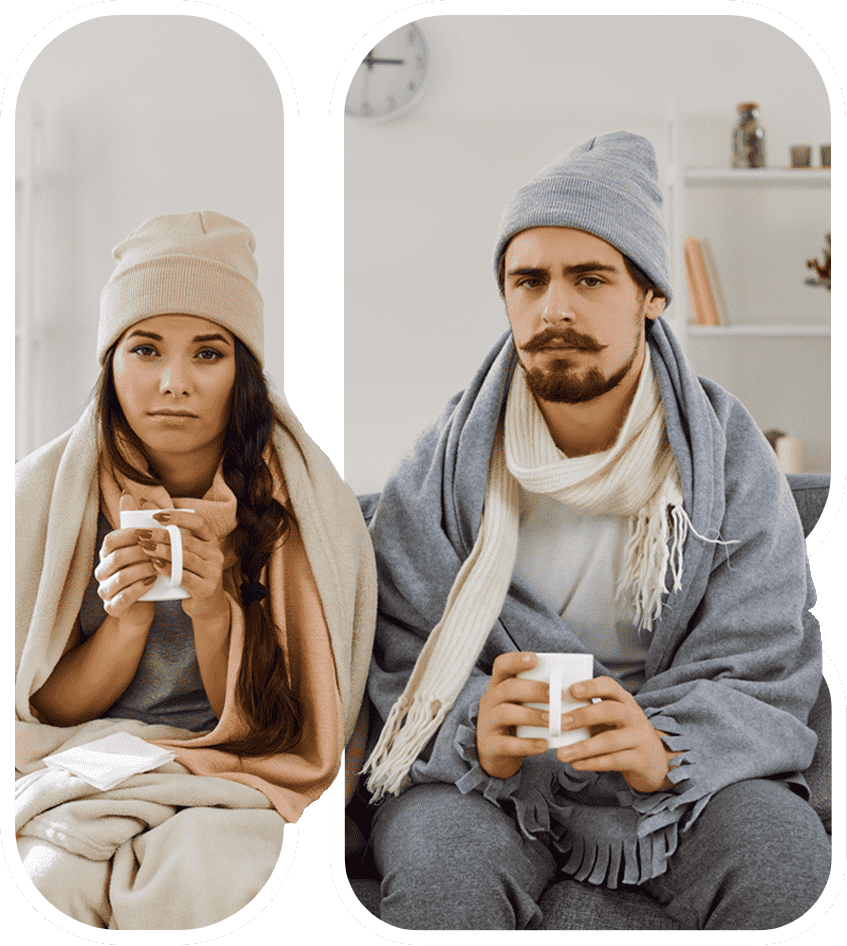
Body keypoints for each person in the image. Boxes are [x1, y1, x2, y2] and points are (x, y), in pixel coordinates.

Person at [360, 133, 830, 930]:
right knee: (439, 877)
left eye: (589, 278)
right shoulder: (440, 467)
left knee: (784, 862)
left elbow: (768, 654)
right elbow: (398, 652)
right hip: (495, 781)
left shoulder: (726, 455)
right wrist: (479, 729)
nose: (554, 308)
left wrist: (666, 748)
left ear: (649, 295)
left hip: (689, 769)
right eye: (528, 280)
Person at [15, 211, 376, 929]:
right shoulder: (40, 496)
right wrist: (127, 623)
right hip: (85, 756)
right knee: (49, 875)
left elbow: (285, 733)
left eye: (207, 354)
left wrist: (215, 612)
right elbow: (38, 714)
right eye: (145, 350)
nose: (173, 382)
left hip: (242, 773)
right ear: (110, 364)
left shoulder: (308, 503)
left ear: (243, 369)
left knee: (205, 874)